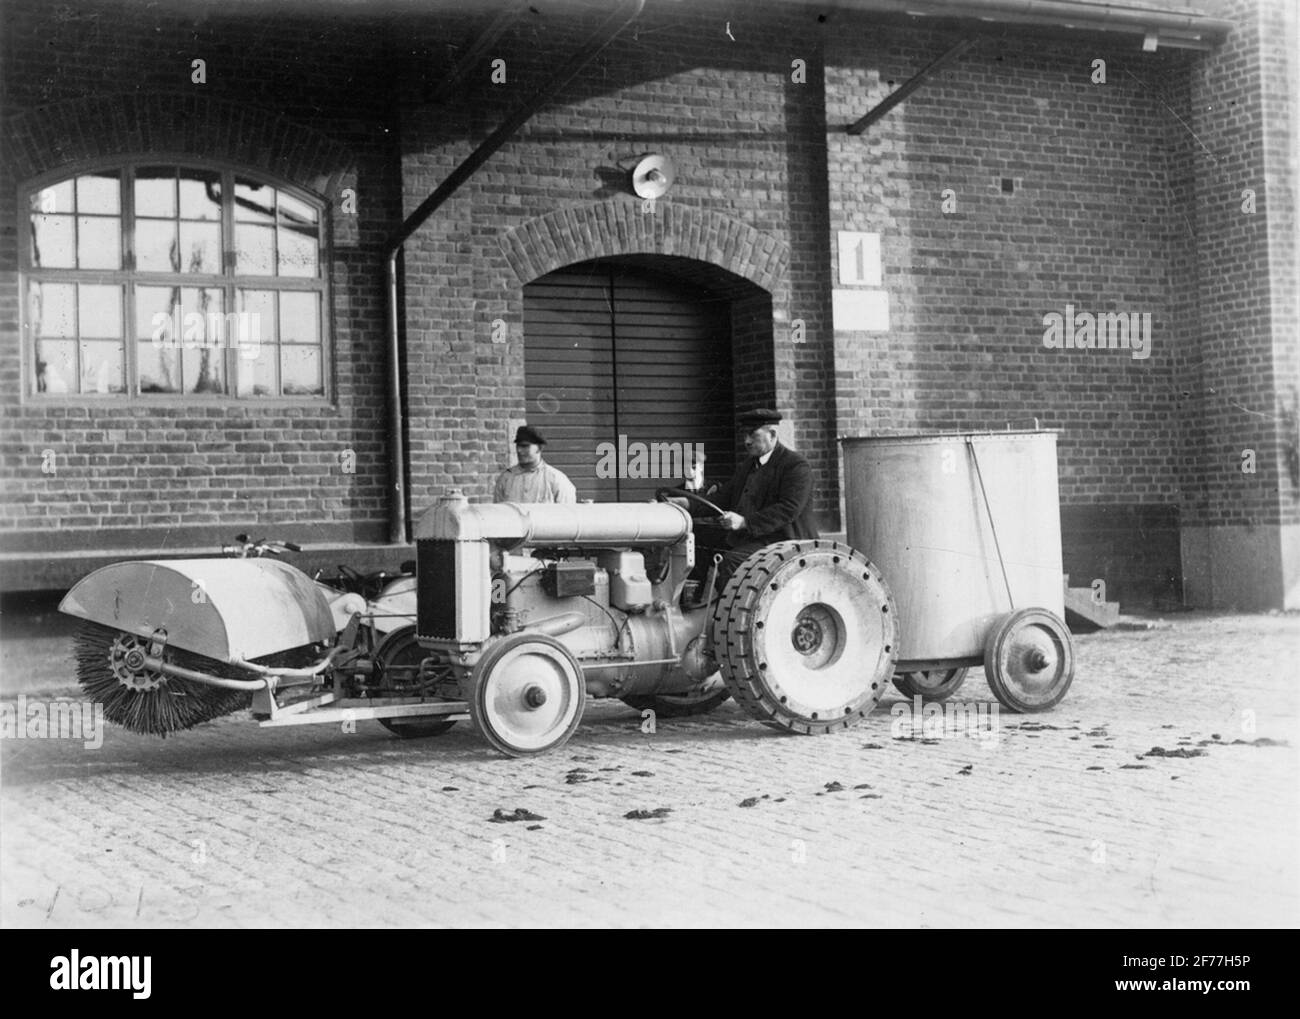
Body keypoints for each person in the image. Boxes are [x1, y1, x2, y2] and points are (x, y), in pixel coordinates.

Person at [687, 408, 817, 587]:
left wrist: (744, 522)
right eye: (744, 435)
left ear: (772, 434)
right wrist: (686, 504)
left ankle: (730, 614)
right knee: (695, 538)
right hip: (751, 537)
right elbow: (722, 497)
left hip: (783, 541)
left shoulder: (795, 466)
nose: (746, 441)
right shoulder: (748, 466)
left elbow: (788, 508)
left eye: (752, 435)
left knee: (732, 563)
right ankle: (689, 602)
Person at [493, 424, 577, 504]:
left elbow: (567, 515)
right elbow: (499, 515)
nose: (519, 450)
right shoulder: (506, 479)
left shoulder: (556, 479)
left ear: (539, 448)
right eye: (518, 446)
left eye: (525, 446)